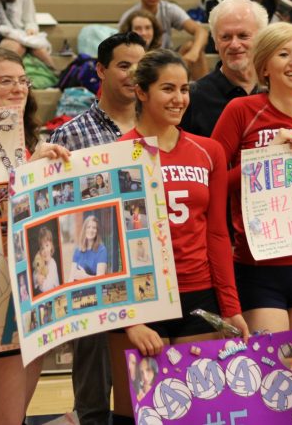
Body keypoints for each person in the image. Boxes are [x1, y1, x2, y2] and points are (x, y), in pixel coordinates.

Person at [112, 49, 250, 419]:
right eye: (167, 89)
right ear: (141, 92)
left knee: (193, 410)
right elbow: (111, 246)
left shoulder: (209, 152)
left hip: (198, 295)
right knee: (135, 413)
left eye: (184, 89)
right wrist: (130, 321)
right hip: (140, 300)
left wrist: (231, 308)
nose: (179, 99)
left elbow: (218, 236)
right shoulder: (115, 154)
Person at [211, 22, 292, 335]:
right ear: (265, 67)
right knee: (271, 376)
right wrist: (262, 161)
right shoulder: (241, 110)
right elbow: (211, 185)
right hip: (258, 268)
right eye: (283, 54)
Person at [0, 46, 70, 425]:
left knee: (12, 415)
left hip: (29, 293)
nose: (19, 88)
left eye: (23, 80)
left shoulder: (29, 139)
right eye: (6, 81)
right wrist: (25, 175)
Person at [48, 32, 146, 425]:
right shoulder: (70, 134)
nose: (132, 74)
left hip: (148, 267)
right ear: (101, 71)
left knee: (145, 387)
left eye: (140, 67)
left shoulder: (158, 124)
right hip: (93, 273)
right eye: (123, 65)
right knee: (93, 391)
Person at [181, 0, 268, 137]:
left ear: (262, 38)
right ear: (215, 42)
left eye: (243, 35)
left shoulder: (278, 91)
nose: (234, 44)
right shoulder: (194, 98)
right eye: (225, 37)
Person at [118, 0, 209, 78]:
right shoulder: (129, 17)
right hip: (140, 62)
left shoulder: (169, 9)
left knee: (191, 46)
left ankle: (205, 91)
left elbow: (201, 31)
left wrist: (193, 53)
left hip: (167, 59)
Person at [70, 216, 108, 281]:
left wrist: (86, 276)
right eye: (88, 227)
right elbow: (71, 277)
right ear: (84, 230)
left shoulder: (101, 250)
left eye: (94, 228)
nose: (91, 230)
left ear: (97, 231)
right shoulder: (77, 250)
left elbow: (101, 278)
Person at [33, 227, 60, 294]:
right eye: (42, 248)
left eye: (47, 245)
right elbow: (35, 273)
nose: (45, 251)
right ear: (39, 251)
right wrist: (37, 278)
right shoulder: (42, 262)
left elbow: (47, 288)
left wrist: (40, 282)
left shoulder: (52, 263)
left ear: (51, 246)